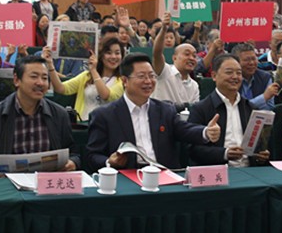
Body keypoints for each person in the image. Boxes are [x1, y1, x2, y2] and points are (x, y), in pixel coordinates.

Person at [86, 53, 221, 170]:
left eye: (152, 76)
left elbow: (184, 130)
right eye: (141, 76)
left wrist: (206, 132)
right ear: (125, 81)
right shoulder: (104, 115)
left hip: (163, 174)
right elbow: (92, 156)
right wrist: (109, 162)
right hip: (126, 175)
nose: (148, 81)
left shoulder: (165, 110)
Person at [0, 56, 81, 174]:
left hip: (46, 181)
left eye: (44, 78)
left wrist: (73, 162)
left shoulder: (59, 114)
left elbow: (73, 153)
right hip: (9, 182)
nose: (40, 83)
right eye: (34, 77)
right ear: (16, 80)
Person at [188, 54, 270, 167]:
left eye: (239, 73)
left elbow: (257, 145)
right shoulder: (201, 109)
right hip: (217, 171)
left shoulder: (250, 108)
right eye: (229, 72)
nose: (235, 77)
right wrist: (224, 154)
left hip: (249, 170)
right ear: (214, 76)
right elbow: (192, 149)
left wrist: (260, 155)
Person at [45, 37, 125, 121]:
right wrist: (50, 65)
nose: (113, 57)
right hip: (83, 123)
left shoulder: (122, 81)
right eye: (108, 53)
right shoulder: (86, 76)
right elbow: (60, 88)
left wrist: (93, 70)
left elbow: (106, 95)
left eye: (117, 53)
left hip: (106, 125)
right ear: (101, 55)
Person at [151, 13, 200, 107]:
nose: (191, 58)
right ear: (174, 58)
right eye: (187, 54)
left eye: (194, 56)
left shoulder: (194, 86)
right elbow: (157, 53)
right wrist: (164, 29)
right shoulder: (165, 71)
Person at [232, 43, 279, 110]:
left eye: (254, 59)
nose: (251, 63)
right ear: (235, 62)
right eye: (246, 60)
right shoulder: (231, 79)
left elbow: (269, 107)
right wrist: (263, 97)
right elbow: (236, 108)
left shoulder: (265, 77)